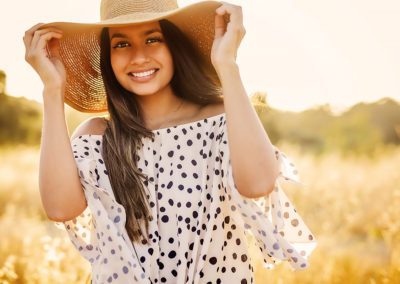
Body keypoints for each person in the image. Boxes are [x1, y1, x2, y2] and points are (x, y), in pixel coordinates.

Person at [24, 0, 317, 283]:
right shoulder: (98, 136)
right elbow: (59, 209)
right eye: (121, 44)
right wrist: (53, 90)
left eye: (153, 39)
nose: (138, 57)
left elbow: (259, 184)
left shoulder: (221, 119)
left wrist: (227, 65)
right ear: (108, 56)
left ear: (175, 45)